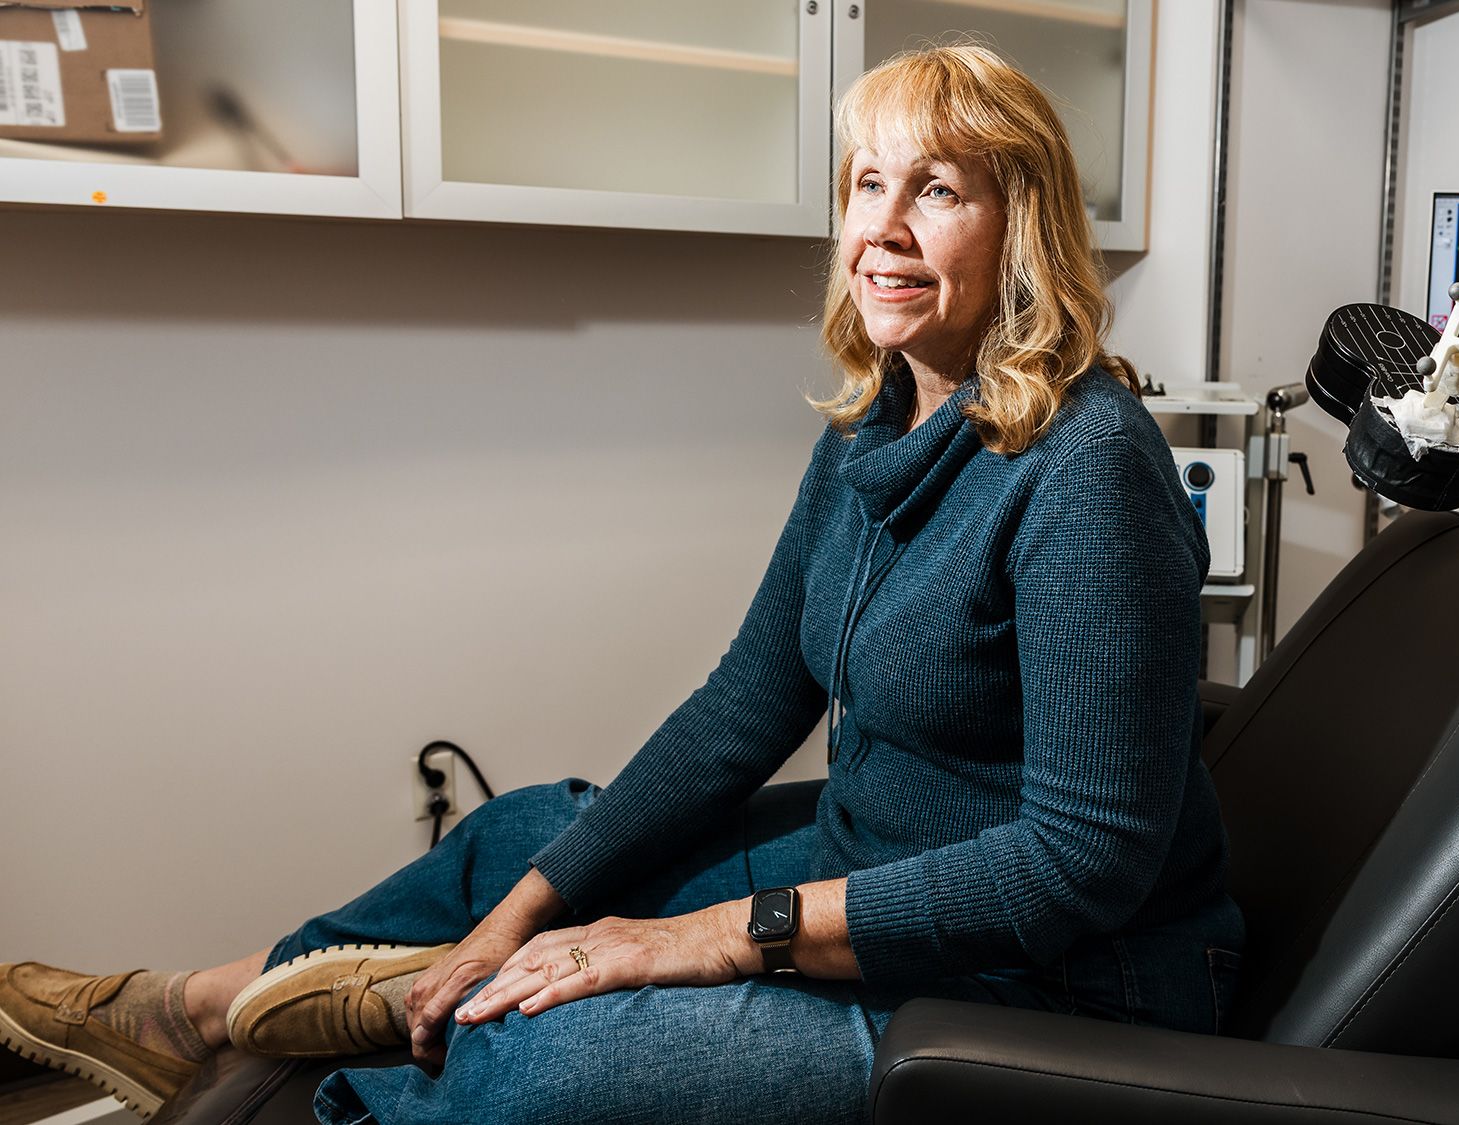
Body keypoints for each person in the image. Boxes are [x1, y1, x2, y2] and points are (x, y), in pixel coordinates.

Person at [0, 44, 1245, 1124]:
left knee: (525, 1053)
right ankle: (203, 1011)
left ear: (1020, 224)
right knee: (528, 835)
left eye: (936, 190)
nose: (883, 228)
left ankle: (383, 1031)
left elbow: (1080, 863)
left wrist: (705, 941)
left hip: (1049, 984)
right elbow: (744, 706)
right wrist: (524, 920)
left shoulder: (1088, 470)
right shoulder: (872, 426)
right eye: (868, 185)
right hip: (868, 869)